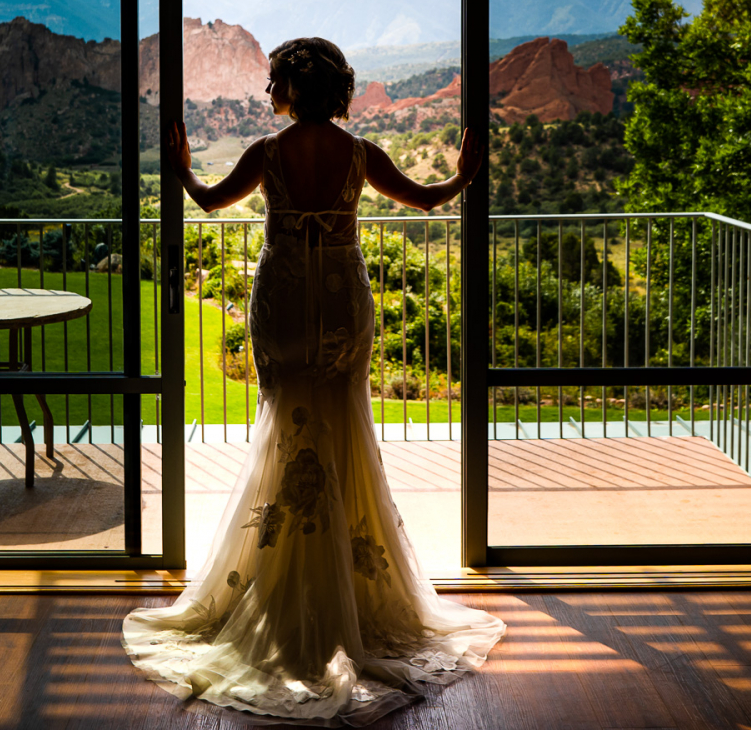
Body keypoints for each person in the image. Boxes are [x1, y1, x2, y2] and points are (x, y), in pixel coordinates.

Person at [123, 37, 505, 725]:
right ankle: (350, 594)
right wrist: (464, 176)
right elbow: (426, 199)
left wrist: (181, 170)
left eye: (274, 82)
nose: (270, 91)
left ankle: (284, 591)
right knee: (343, 426)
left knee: (285, 427)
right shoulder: (359, 154)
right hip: (341, 306)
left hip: (285, 305)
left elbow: (209, 202)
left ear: (288, 90)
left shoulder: (267, 154)